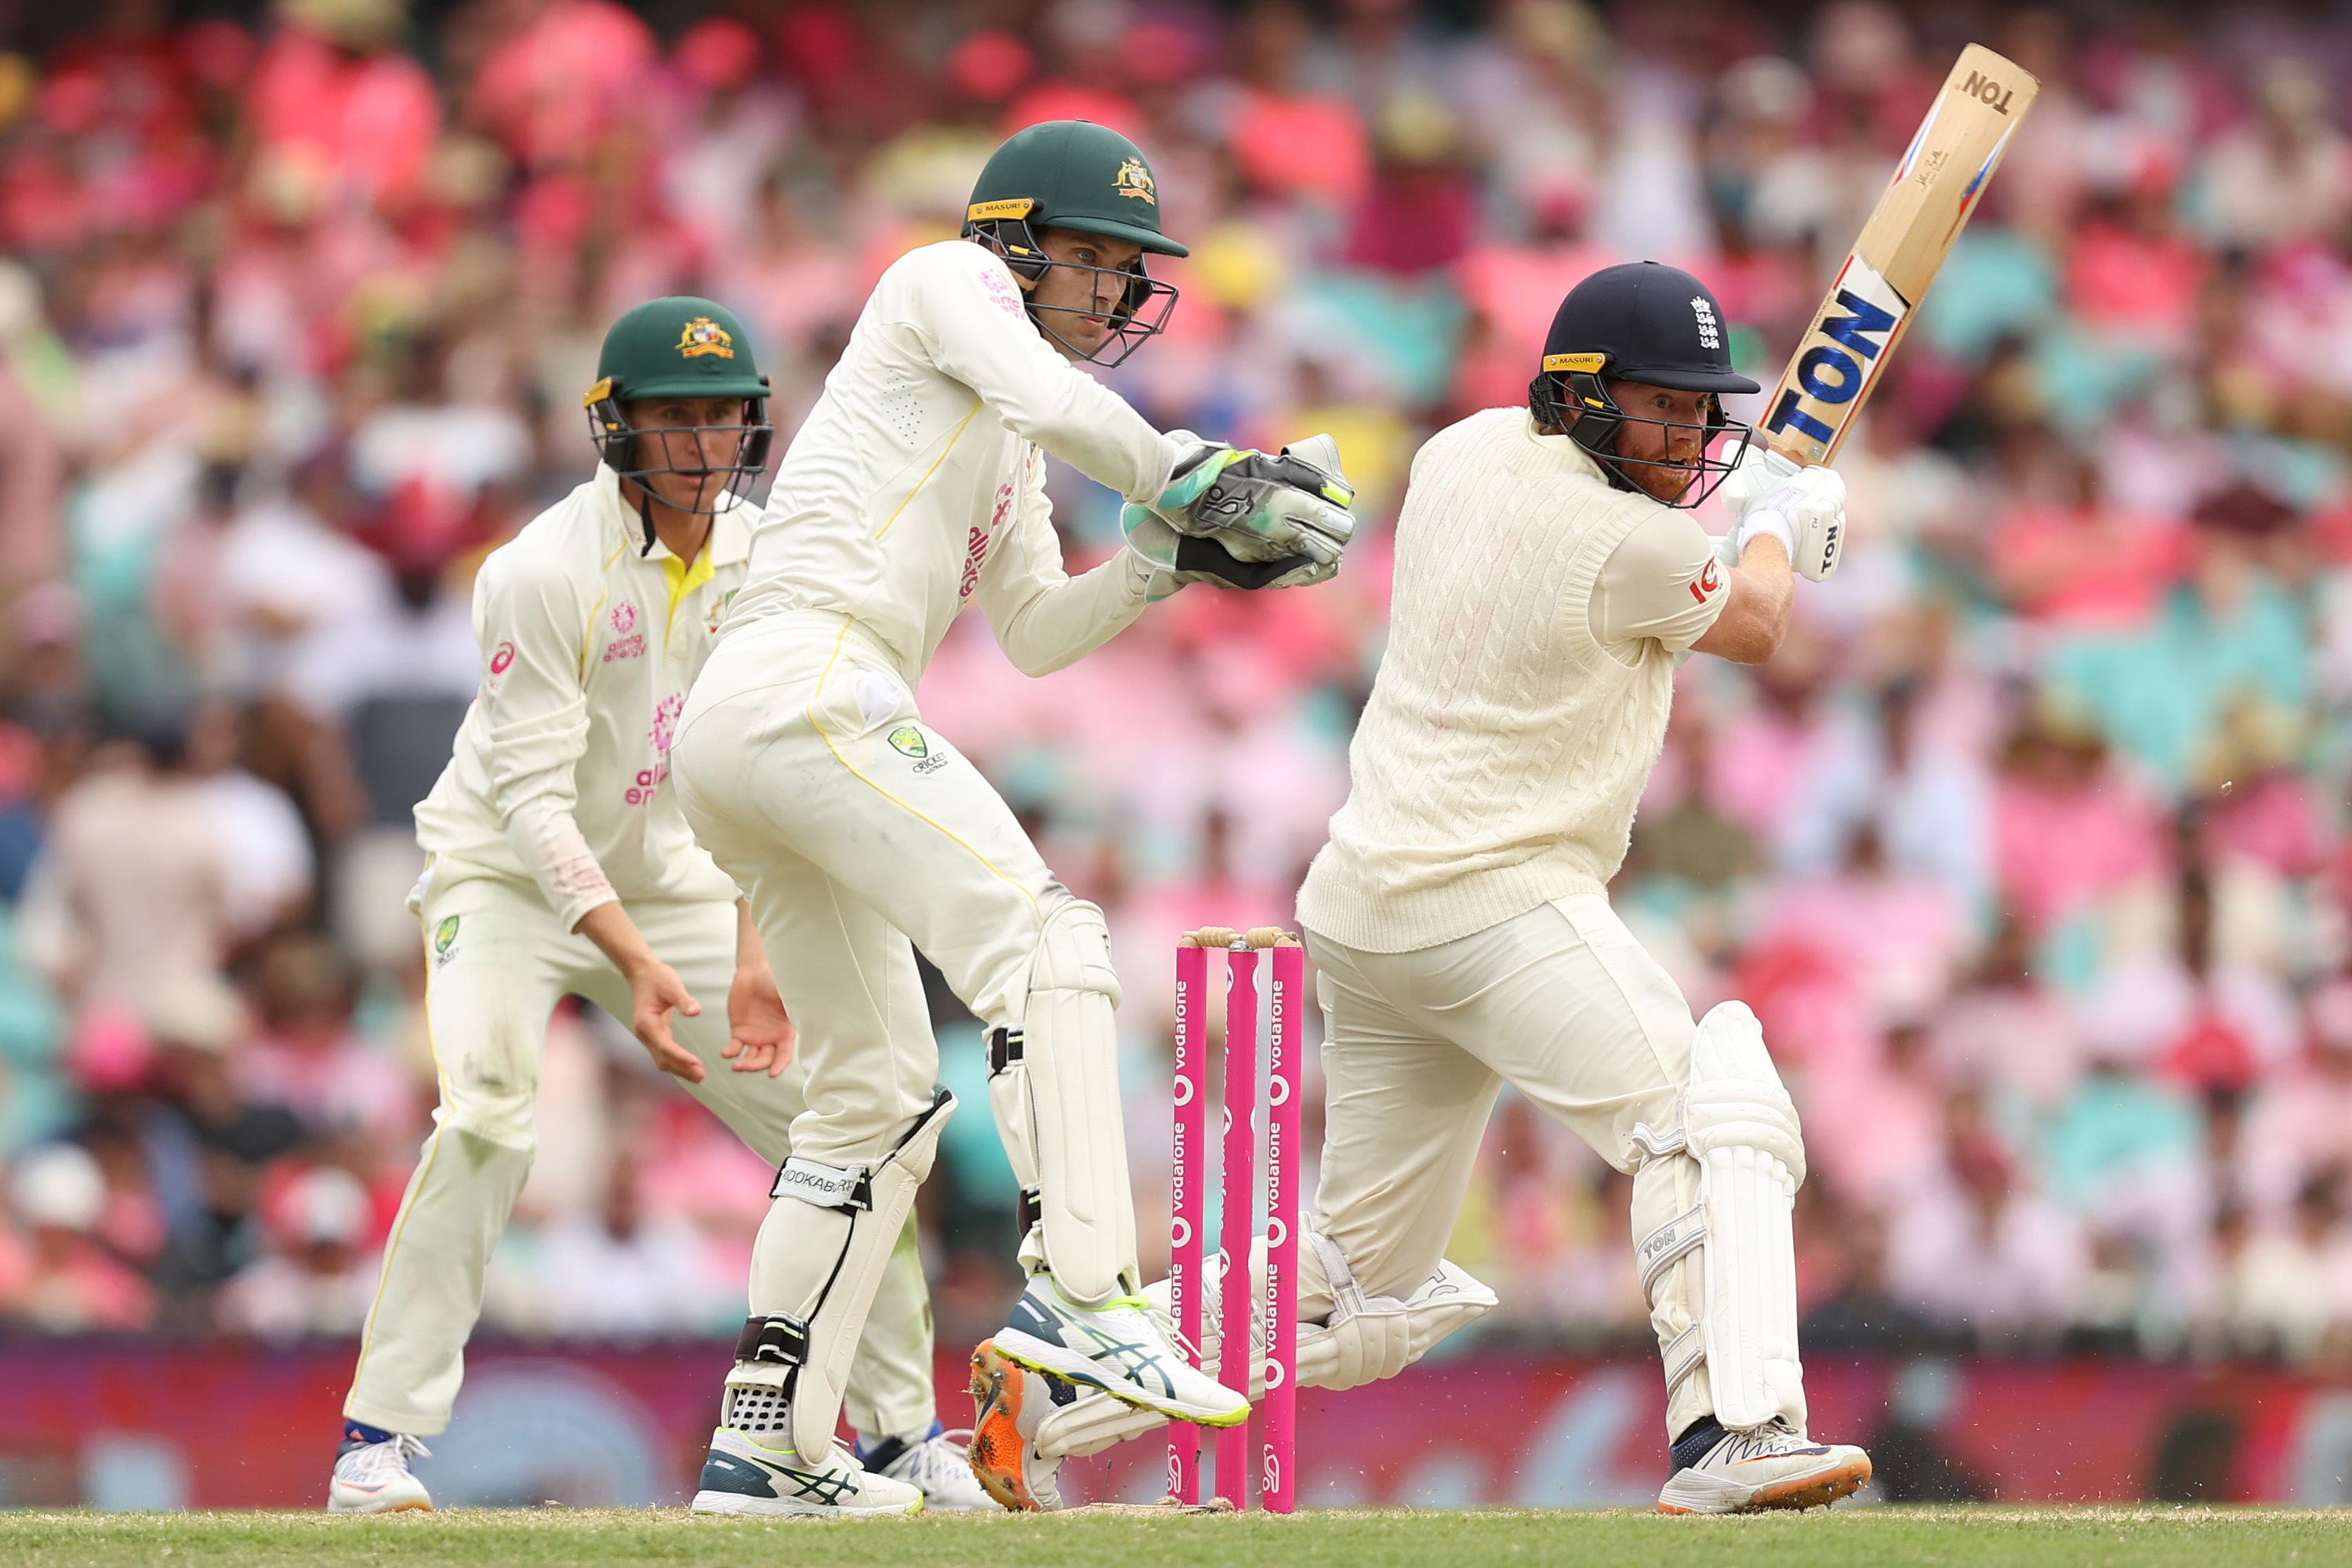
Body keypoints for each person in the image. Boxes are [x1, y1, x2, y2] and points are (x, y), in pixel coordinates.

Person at [968, 262, 1873, 1515]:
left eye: (1700, 411)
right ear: (1583, 398)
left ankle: (1057, 1382)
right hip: (1498, 902)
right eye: (1665, 408)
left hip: (1367, 911)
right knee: (1710, 1108)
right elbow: (1758, 623)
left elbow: (1644, 557)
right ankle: (1738, 1431)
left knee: (1365, 1284)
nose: (1691, 439)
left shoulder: (1459, 453)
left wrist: (1746, 527)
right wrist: (1776, 528)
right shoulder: (1635, 540)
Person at [667, 118, 1356, 1517]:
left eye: (1128, 270)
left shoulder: (1008, 435)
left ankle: (770, 1445)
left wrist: (1168, 559)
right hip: (810, 680)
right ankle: (1084, 1294)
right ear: (1015, 245)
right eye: (1092, 259)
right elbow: (1057, 400)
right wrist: (1196, 472)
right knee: (1049, 941)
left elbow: (1036, 630)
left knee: (873, 1096)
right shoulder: (941, 281)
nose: (1116, 291)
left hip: (757, 722)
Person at [328, 297, 989, 1515]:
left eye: (723, 416)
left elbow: (767, 774)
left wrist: (755, 949)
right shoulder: (539, 571)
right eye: (674, 417)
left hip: (680, 875)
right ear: (616, 426)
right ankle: (379, 1442)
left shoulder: (774, 561)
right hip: (503, 877)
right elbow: (533, 804)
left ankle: (902, 1436)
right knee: (488, 1119)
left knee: (854, 1130)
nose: (701, 443)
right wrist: (631, 962)